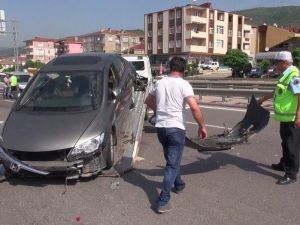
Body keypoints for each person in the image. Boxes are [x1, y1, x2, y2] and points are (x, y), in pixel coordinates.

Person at [145, 57, 208, 213]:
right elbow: (194, 107)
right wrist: (202, 126)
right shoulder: (184, 84)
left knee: (171, 160)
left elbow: (148, 100)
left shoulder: (159, 82)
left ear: (169, 68)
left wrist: (159, 111)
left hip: (161, 128)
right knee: (172, 164)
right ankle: (163, 200)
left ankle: (179, 184)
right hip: (176, 128)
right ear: (183, 70)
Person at [258, 51, 300, 185]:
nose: (275, 65)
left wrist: (299, 116)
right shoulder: (284, 75)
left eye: (277, 63)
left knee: (292, 146)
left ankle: (291, 174)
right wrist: (262, 99)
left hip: (292, 118)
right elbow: (277, 92)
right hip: (285, 117)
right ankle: (284, 164)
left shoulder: (293, 76)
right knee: (285, 143)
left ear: (284, 62)